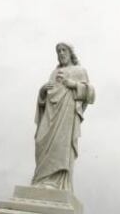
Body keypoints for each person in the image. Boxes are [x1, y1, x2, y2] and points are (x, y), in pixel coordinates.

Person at [32, 42, 95, 192]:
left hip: (66, 116)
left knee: (61, 147)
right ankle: (41, 180)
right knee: (41, 140)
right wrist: (42, 92)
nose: (61, 53)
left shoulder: (80, 71)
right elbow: (46, 97)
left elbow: (91, 94)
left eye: (63, 50)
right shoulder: (54, 73)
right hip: (50, 115)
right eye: (58, 51)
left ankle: (56, 183)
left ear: (70, 52)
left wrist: (73, 84)